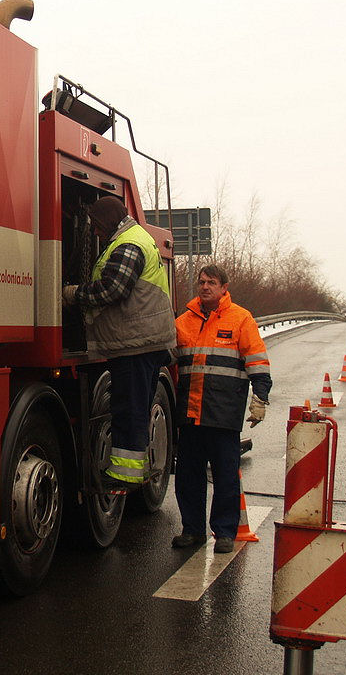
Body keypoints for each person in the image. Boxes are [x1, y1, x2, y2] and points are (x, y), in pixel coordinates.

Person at [62, 196, 176, 493]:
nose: (96, 233)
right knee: (134, 407)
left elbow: (113, 288)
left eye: (98, 226)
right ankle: (131, 472)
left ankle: (126, 476)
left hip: (136, 344)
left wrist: (74, 294)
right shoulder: (137, 238)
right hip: (143, 343)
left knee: (130, 409)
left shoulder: (128, 244)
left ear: (110, 221)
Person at [172, 265, 271, 554]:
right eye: (201, 282)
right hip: (190, 415)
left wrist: (260, 397)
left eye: (211, 282)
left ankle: (225, 532)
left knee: (226, 477)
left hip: (223, 415)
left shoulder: (241, 319)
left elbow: (258, 362)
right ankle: (192, 530)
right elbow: (169, 359)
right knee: (188, 478)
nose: (205, 287)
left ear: (224, 287)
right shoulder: (184, 321)